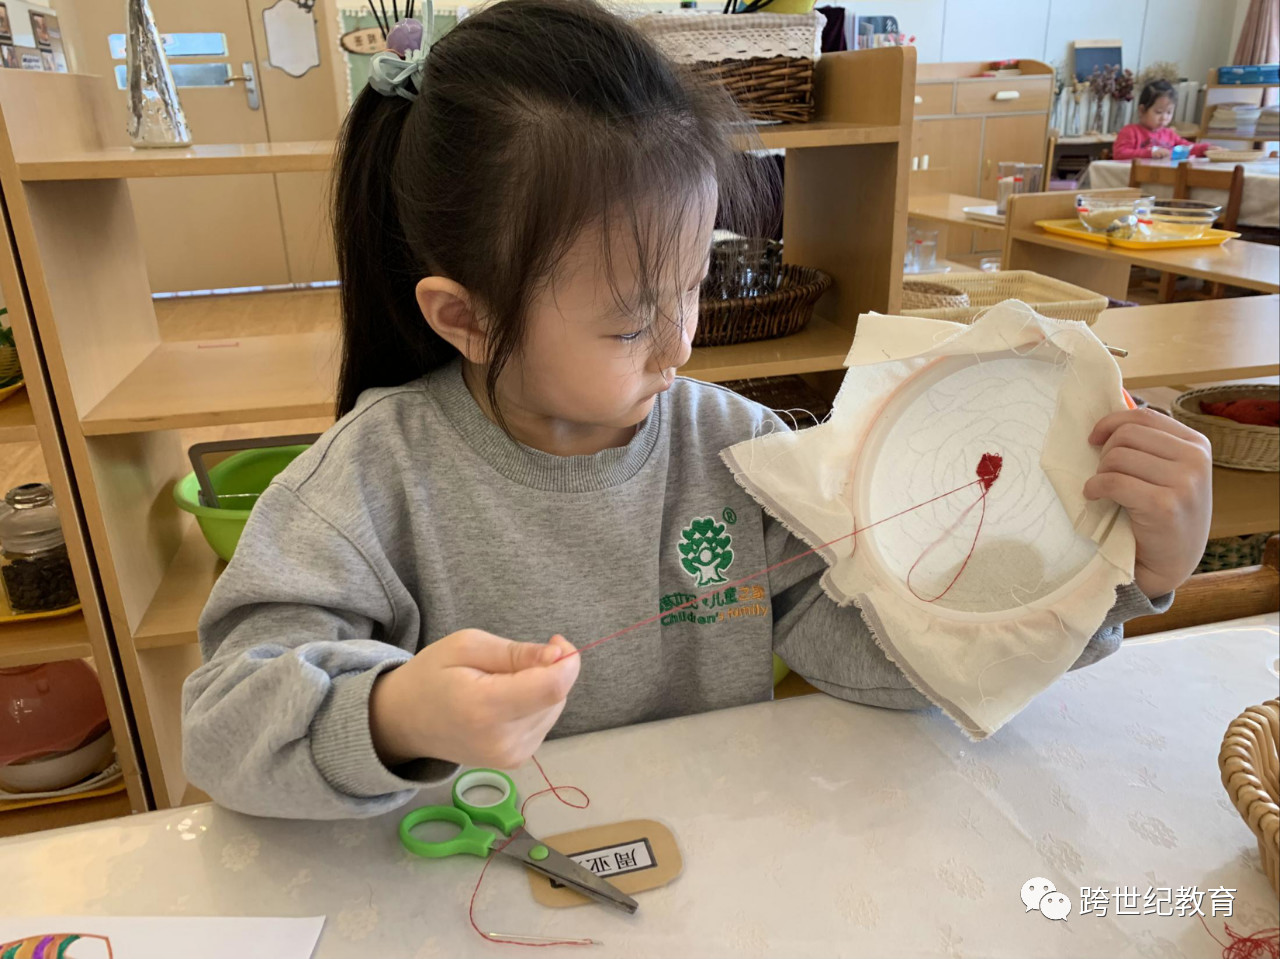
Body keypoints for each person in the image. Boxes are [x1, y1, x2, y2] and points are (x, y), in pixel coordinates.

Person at [181, 0, 1212, 819]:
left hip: (704, 870)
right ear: (464, 317)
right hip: (463, 890)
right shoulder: (370, 480)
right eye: (632, 319)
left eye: (693, 285)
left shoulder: (738, 451)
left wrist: (1110, 577)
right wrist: (392, 713)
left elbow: (888, 654)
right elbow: (224, 723)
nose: (681, 341)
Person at [1113, 79, 1211, 160]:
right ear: (1142, 110)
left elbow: (1187, 147)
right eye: (1158, 112)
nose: (1164, 118)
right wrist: (1150, 153)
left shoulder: (1169, 134)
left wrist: (1206, 148)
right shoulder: (1130, 131)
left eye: (1169, 112)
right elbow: (1119, 154)